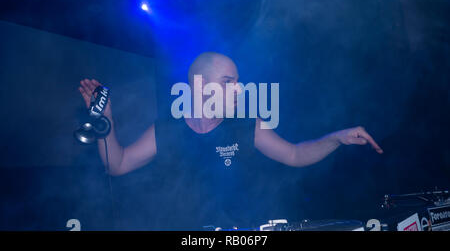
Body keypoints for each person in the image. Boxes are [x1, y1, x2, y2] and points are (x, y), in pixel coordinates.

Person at [78, 51, 383, 229]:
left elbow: (294, 155)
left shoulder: (247, 127)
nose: (239, 89)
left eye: (238, 82)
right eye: (229, 82)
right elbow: (117, 165)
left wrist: (336, 139)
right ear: (199, 86)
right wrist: (107, 120)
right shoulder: (166, 131)